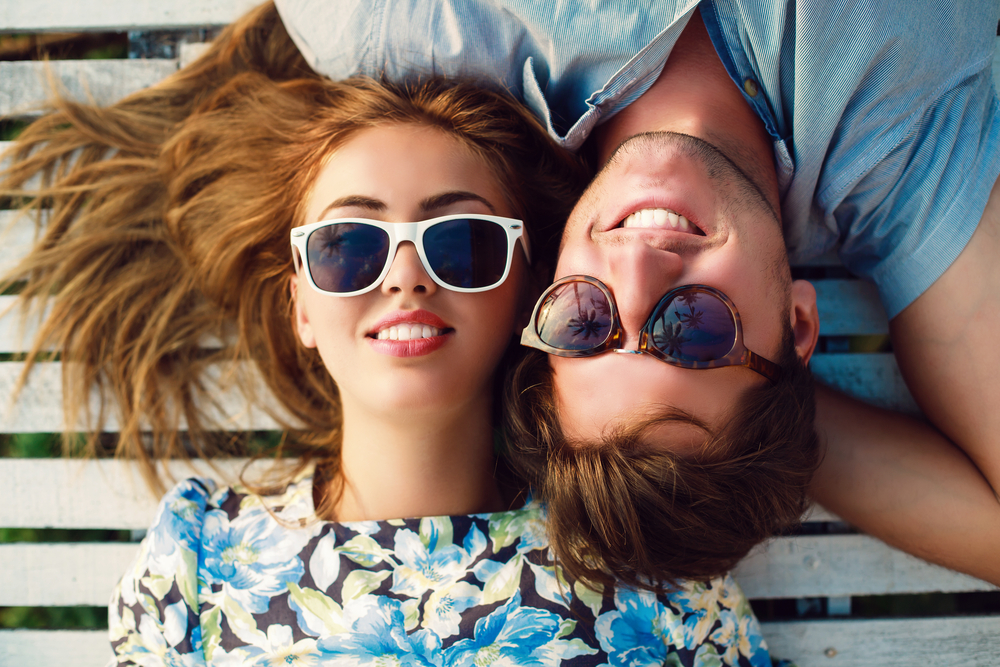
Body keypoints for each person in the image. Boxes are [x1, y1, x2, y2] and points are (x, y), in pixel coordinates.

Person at [0, 4, 787, 665]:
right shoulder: (195, 565)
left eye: (463, 245)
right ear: (300, 307)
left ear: (529, 295)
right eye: (348, 249)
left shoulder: (645, 564)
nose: (406, 278)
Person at [271, 0, 1000, 587]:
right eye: (694, 330)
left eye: (585, 323)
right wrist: (766, 430)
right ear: (799, 325)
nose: (638, 268)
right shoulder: (902, 151)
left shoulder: (415, 27)